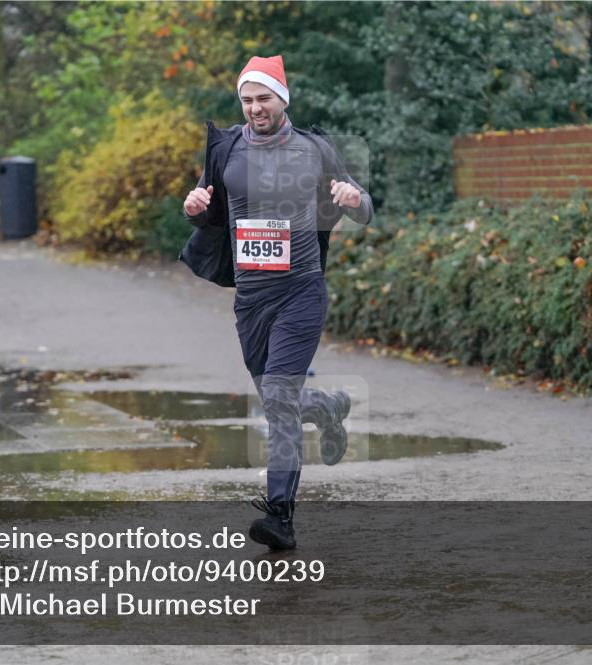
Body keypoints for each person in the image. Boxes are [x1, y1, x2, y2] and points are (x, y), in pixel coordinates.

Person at [180, 55, 374, 550]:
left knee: (280, 402)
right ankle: (328, 407)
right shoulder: (226, 148)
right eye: (246, 100)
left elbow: (364, 206)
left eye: (263, 98)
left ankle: (280, 516)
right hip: (252, 297)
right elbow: (210, 207)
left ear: (282, 99)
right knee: (278, 398)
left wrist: (355, 200)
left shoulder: (314, 149)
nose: (254, 108)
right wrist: (194, 207)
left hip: (301, 291)